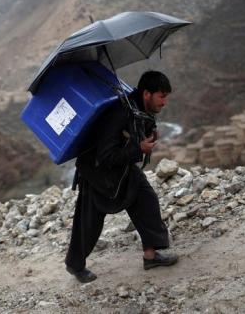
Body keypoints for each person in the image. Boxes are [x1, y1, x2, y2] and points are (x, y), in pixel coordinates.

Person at [65, 70, 178, 283]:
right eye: (161, 96)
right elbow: (106, 155)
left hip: (122, 169)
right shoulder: (120, 113)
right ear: (147, 94)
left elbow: (131, 135)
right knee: (89, 223)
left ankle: (150, 256)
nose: (164, 102)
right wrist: (139, 149)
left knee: (146, 200)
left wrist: (149, 135)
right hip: (96, 173)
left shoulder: (138, 108)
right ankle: (75, 266)